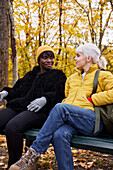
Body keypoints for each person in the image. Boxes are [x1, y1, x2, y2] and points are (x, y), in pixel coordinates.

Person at [9, 43, 113, 170]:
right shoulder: (72, 78)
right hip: (72, 119)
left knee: (60, 108)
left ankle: (33, 154)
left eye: (78, 55)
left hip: (92, 121)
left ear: (88, 58)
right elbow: (66, 98)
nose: (75, 58)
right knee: (59, 135)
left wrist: (93, 99)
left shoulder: (103, 75)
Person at [0, 45, 66, 168]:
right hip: (20, 107)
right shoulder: (30, 75)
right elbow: (17, 90)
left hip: (40, 112)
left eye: (51, 58)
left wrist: (45, 99)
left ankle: (16, 165)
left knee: (13, 127)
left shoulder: (58, 75)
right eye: (45, 58)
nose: (49, 61)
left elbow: (60, 93)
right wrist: (6, 92)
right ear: (39, 59)